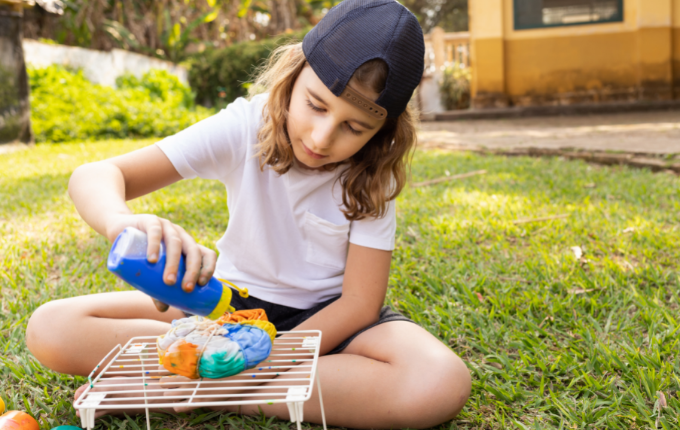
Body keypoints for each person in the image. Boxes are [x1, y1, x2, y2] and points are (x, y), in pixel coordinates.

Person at [25, 0, 471, 427]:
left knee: (438, 381)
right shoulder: (247, 125)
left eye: (354, 127)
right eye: (316, 105)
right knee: (52, 327)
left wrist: (265, 361)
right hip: (225, 310)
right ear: (294, 74)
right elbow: (95, 175)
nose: (321, 137)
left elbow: (358, 304)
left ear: (382, 132)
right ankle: (226, 383)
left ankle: (196, 389)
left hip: (326, 324)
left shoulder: (375, 172)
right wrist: (120, 221)